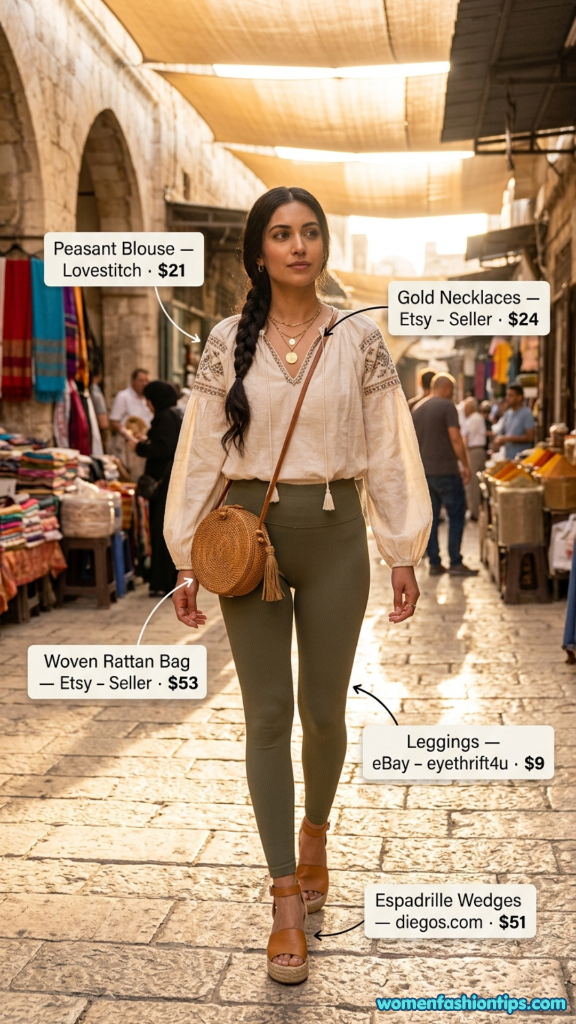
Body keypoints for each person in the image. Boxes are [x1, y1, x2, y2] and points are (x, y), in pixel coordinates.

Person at [164, 186, 431, 985]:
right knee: (268, 714)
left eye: (310, 232)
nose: (299, 245)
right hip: (246, 540)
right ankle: (285, 897)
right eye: (282, 234)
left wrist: (403, 548)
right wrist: (185, 555)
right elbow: (201, 454)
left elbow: (387, 446)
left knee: (323, 709)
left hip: (338, 533)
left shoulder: (359, 339)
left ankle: (315, 830)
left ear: (323, 246)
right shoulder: (224, 342)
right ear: (259, 252)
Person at [412, 373, 478, 577]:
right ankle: (455, 561)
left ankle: (434, 562)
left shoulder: (418, 409)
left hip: (425, 473)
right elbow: (455, 438)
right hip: (447, 471)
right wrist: (465, 465)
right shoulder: (448, 406)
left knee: (431, 518)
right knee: (456, 515)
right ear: (447, 388)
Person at [128, 380, 182, 596]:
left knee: (162, 531)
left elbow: (164, 448)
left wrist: (140, 447)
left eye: (149, 401)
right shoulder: (172, 415)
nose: (148, 405)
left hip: (164, 484)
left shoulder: (167, 417)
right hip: (169, 483)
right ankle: (164, 580)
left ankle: (165, 581)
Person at [109, 368, 152, 481]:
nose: (144, 384)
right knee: (129, 477)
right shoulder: (123, 396)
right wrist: (129, 436)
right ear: (133, 381)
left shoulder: (147, 399)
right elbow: (114, 421)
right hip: (127, 444)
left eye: (146, 381)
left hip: (143, 442)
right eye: (141, 380)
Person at [492, 384, 535, 459]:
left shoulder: (526, 413)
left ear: (519, 397)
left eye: (511, 396)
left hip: (522, 459)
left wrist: (509, 439)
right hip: (508, 457)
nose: (507, 398)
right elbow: (502, 433)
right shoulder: (507, 414)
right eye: (507, 395)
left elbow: (530, 437)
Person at [461, 397, 486, 520]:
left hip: (474, 451)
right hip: (478, 450)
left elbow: (464, 437)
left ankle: (475, 512)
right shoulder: (477, 418)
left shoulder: (473, 418)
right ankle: (475, 511)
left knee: (473, 484)